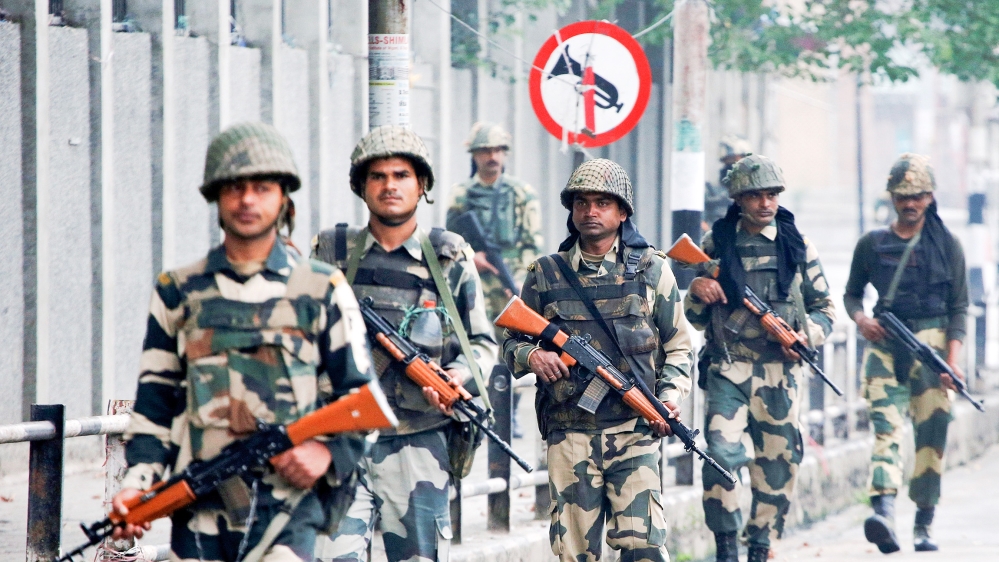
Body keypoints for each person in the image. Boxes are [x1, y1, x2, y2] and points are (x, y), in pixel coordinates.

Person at [111, 122, 377, 562]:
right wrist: (136, 487)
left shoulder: (321, 287)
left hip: (288, 510)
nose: (247, 199)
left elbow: (361, 396)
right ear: (216, 197)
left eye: (261, 187)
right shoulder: (179, 289)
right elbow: (155, 402)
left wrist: (326, 452)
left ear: (283, 198)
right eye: (234, 187)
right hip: (198, 510)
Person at [312, 125, 498, 562]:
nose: (390, 185)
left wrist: (457, 376)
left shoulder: (449, 255)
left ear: (422, 186)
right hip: (342, 440)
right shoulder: (331, 251)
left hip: (419, 442)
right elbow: (300, 340)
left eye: (401, 175)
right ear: (362, 186)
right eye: (377, 176)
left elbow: (483, 343)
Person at [503, 158, 693, 562]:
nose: (590, 211)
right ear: (572, 212)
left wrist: (671, 395)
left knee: (645, 548)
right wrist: (532, 355)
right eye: (582, 203)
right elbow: (509, 340)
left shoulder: (651, 270)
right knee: (576, 554)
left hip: (634, 430)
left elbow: (678, 345)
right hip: (570, 435)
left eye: (602, 203)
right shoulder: (545, 274)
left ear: (622, 212)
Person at [684, 154, 836, 562]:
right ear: (738, 199)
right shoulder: (716, 244)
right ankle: (727, 546)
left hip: (779, 374)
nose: (765, 203)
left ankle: (761, 543)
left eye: (771, 195)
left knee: (779, 462)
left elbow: (825, 308)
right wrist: (698, 290)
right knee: (720, 456)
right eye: (755, 196)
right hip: (728, 369)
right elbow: (694, 318)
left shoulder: (798, 246)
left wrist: (807, 336)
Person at [843, 153, 968, 554]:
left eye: (916, 196)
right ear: (892, 198)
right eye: (901, 196)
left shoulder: (947, 245)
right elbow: (851, 294)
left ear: (930, 197)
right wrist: (861, 319)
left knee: (932, 437)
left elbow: (959, 308)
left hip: (933, 347)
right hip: (885, 347)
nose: (909, 203)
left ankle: (923, 522)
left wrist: (953, 362)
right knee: (887, 430)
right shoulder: (872, 244)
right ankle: (883, 512)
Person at [446, 122, 543, 438]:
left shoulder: (520, 194)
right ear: (474, 155)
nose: (492, 156)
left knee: (510, 349)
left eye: (498, 150)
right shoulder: (461, 195)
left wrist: (518, 280)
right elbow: (449, 242)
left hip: (508, 283)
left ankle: (508, 414)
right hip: (472, 282)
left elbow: (533, 243)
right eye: (485, 150)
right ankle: (476, 409)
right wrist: (473, 259)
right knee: (471, 344)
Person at [703, 135, 752, 230]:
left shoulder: (754, 190)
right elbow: (700, 222)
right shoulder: (710, 191)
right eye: (731, 158)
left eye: (740, 158)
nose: (735, 162)